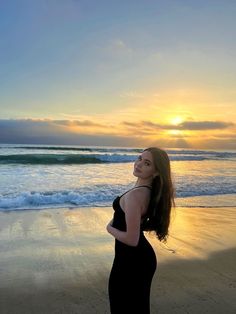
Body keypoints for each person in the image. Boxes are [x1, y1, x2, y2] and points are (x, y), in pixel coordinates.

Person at [106, 147, 175, 314]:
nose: (139, 164)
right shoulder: (149, 192)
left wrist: (109, 228)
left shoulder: (136, 196)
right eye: (139, 158)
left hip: (132, 261)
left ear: (156, 172)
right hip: (137, 259)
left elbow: (132, 239)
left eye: (147, 163)